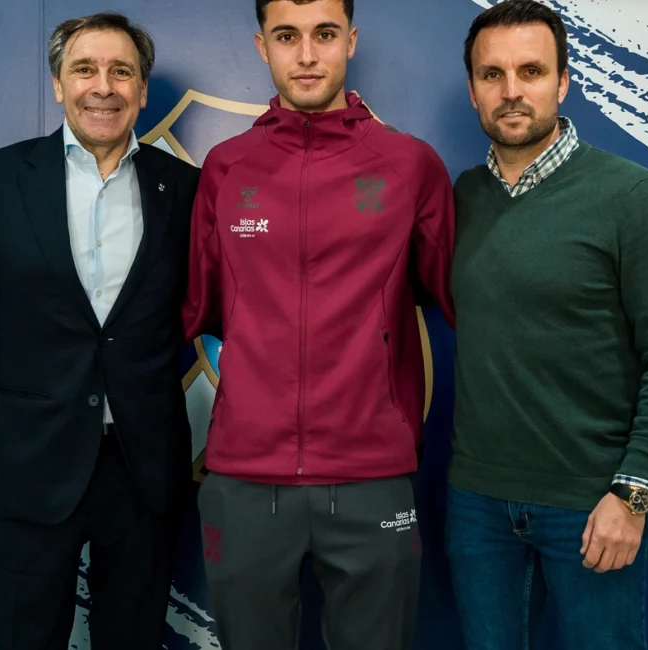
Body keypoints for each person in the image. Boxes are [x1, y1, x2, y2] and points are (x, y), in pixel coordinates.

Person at [0, 12, 200, 650]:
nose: (103, 87)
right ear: (59, 85)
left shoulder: (186, 190)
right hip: (28, 464)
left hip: (143, 469)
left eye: (122, 72)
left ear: (143, 90)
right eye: (84, 69)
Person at [183, 1, 456, 648]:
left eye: (324, 34)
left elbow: (457, 297)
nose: (306, 55)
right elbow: (200, 308)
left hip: (372, 475)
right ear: (262, 46)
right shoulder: (226, 167)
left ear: (350, 40)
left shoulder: (410, 164)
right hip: (245, 477)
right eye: (287, 36)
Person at [445, 2, 648, 649]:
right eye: (492, 74)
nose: (511, 91)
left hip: (592, 505)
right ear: (473, 89)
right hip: (477, 505)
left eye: (531, 71)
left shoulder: (631, 196)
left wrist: (632, 494)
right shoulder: (462, 198)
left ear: (562, 82)